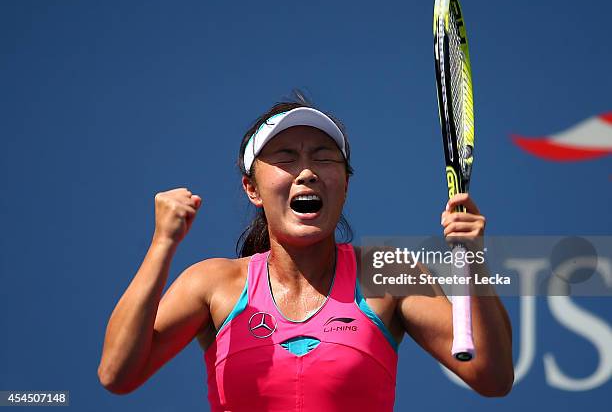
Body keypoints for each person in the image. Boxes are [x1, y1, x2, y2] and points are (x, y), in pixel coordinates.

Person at [98, 92, 514, 411]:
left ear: (345, 185)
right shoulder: (212, 283)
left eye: (323, 158)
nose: (308, 172)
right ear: (252, 188)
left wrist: (473, 258)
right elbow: (117, 374)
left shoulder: (390, 274)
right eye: (286, 158)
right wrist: (163, 244)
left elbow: (492, 377)